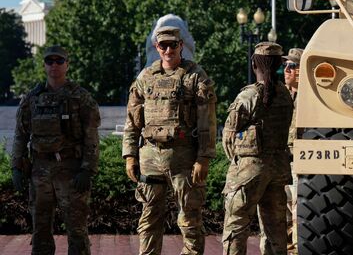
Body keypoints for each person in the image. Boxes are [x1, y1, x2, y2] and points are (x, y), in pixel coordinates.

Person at [123, 26, 216, 255]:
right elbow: (132, 120)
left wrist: (203, 158)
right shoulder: (146, 77)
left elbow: (207, 121)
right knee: (149, 218)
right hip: (150, 157)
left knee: (190, 218)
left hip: (183, 158)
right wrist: (130, 155)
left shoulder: (195, 76)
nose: (168, 50)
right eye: (163, 45)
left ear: (180, 45)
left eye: (172, 45)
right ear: (156, 47)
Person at [11, 45, 101, 255]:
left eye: (59, 61)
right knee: (40, 230)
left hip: (70, 171)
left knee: (77, 230)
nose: (54, 65)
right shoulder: (32, 99)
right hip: (40, 171)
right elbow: (20, 135)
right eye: (49, 61)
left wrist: (87, 169)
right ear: (44, 65)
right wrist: (16, 167)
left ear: (67, 65)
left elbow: (91, 136)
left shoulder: (80, 97)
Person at [222, 42, 294, 255]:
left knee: (236, 223)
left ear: (254, 64)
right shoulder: (285, 94)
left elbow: (228, 137)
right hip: (278, 168)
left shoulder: (249, 95)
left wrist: (237, 160)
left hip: (249, 168)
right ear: (279, 65)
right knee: (276, 228)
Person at [281, 47, 303, 251]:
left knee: (298, 206)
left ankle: (296, 249)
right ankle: (286, 247)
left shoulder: (310, 98)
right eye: (285, 65)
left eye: (292, 65)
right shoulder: (281, 95)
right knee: (283, 205)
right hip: (281, 158)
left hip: (300, 160)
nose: (286, 70)